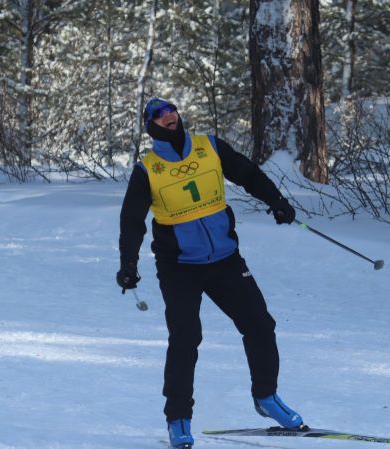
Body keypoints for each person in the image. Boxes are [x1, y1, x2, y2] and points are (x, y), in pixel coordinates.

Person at [117, 98, 305, 449]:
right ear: (151, 125)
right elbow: (132, 220)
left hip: (225, 259)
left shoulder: (210, 147)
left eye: (170, 109)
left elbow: (248, 174)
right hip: (179, 267)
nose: (168, 115)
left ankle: (266, 397)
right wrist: (128, 264)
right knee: (186, 338)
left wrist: (276, 201)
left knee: (260, 325)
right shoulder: (148, 169)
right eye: (158, 114)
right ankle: (178, 419)